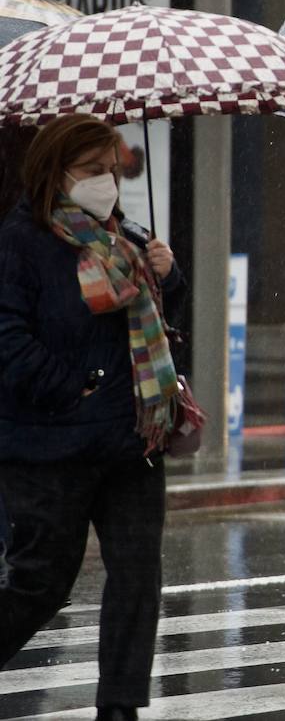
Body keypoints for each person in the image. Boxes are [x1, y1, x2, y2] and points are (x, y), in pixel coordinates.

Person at [0, 115, 185, 721]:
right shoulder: (21, 241)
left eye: (112, 169)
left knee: (137, 577)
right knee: (41, 581)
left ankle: (121, 707)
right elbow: (8, 337)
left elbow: (159, 324)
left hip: (133, 439)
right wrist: (73, 387)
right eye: (92, 171)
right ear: (57, 172)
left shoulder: (128, 236)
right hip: (51, 443)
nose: (106, 181)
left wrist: (169, 276)